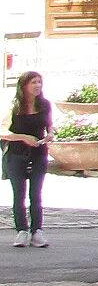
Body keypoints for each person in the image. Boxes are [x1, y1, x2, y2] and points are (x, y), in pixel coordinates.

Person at [4, 70, 52, 248]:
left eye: (39, 82)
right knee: (19, 194)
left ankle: (37, 231)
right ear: (24, 86)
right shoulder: (14, 106)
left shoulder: (45, 105)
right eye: (33, 82)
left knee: (36, 194)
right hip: (17, 154)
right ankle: (22, 231)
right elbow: (3, 132)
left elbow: (49, 125)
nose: (38, 85)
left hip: (39, 153)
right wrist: (23, 137)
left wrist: (51, 134)